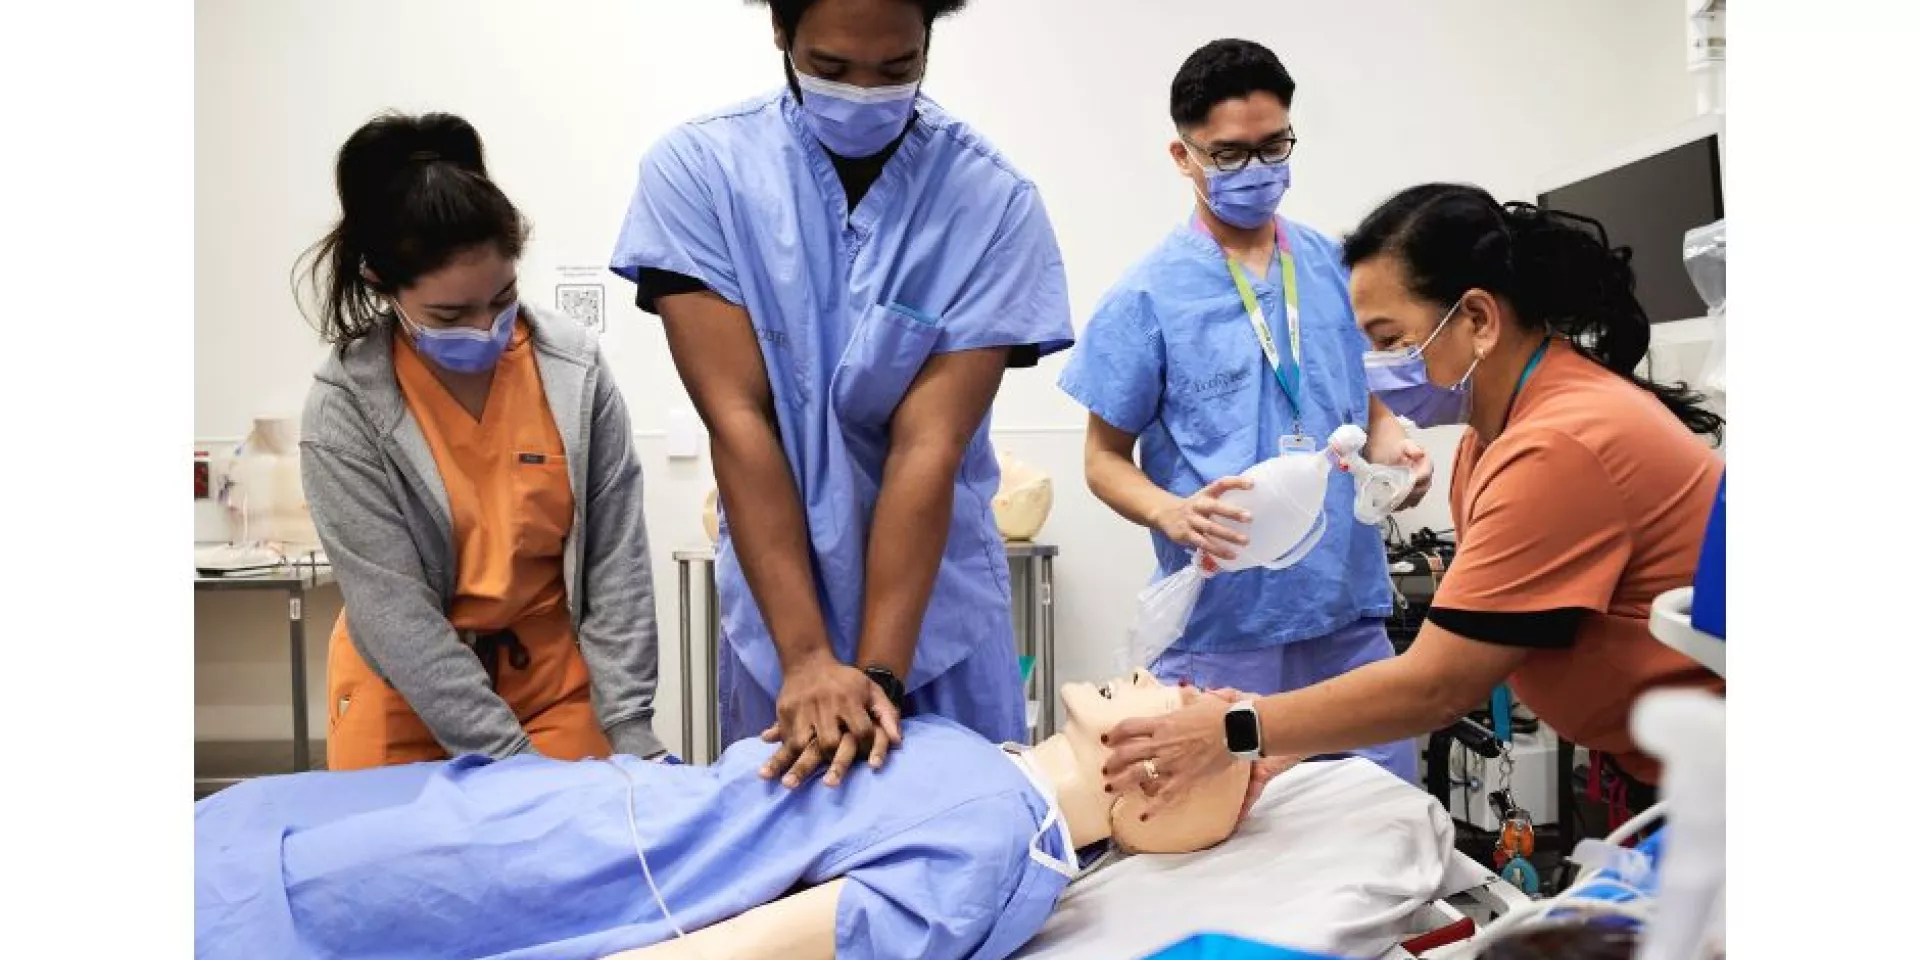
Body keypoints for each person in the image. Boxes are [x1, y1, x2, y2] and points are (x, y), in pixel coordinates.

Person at [1099, 184, 1727, 820]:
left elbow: (1439, 685)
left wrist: (1234, 731)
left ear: (1478, 320)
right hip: (1655, 764)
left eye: (1391, 339)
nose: (1372, 367)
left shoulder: (1559, 443)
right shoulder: (1498, 435)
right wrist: (1285, 740)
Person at [609, 0, 1073, 788]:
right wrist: (808, 659)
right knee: (794, 867)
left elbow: (929, 446)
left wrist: (881, 679)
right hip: (781, 621)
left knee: (970, 846)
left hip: (940, 617)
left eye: (897, 70)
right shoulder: (699, 173)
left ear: (929, 40)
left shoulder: (991, 202)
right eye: (830, 69)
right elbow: (739, 419)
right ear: (781, 34)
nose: (863, 93)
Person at [193, 672, 1258, 960]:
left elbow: (737, 955)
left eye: (1186, 697)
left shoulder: (991, 853)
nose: (1160, 672)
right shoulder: (988, 767)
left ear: (1157, 792)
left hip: (567, 867)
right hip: (587, 806)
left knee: (282, 894)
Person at [1057, 39, 1426, 784]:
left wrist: (1395, 446)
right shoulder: (1147, 297)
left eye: (1274, 147)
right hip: (1223, 628)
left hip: (1347, 616)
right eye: (1229, 155)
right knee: (1238, 853)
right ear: (1182, 155)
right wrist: (1168, 512)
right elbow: (1101, 461)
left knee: (1384, 826)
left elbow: (1371, 401)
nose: (1257, 171)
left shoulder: (1336, 267)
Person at [297, 112, 667, 770]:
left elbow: (616, 562)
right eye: (449, 314)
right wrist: (511, 767)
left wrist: (631, 727)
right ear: (382, 284)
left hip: (551, 686)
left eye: (502, 298)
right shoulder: (348, 405)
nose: (486, 326)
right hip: (408, 690)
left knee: (577, 856)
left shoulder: (571, 371)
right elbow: (393, 610)